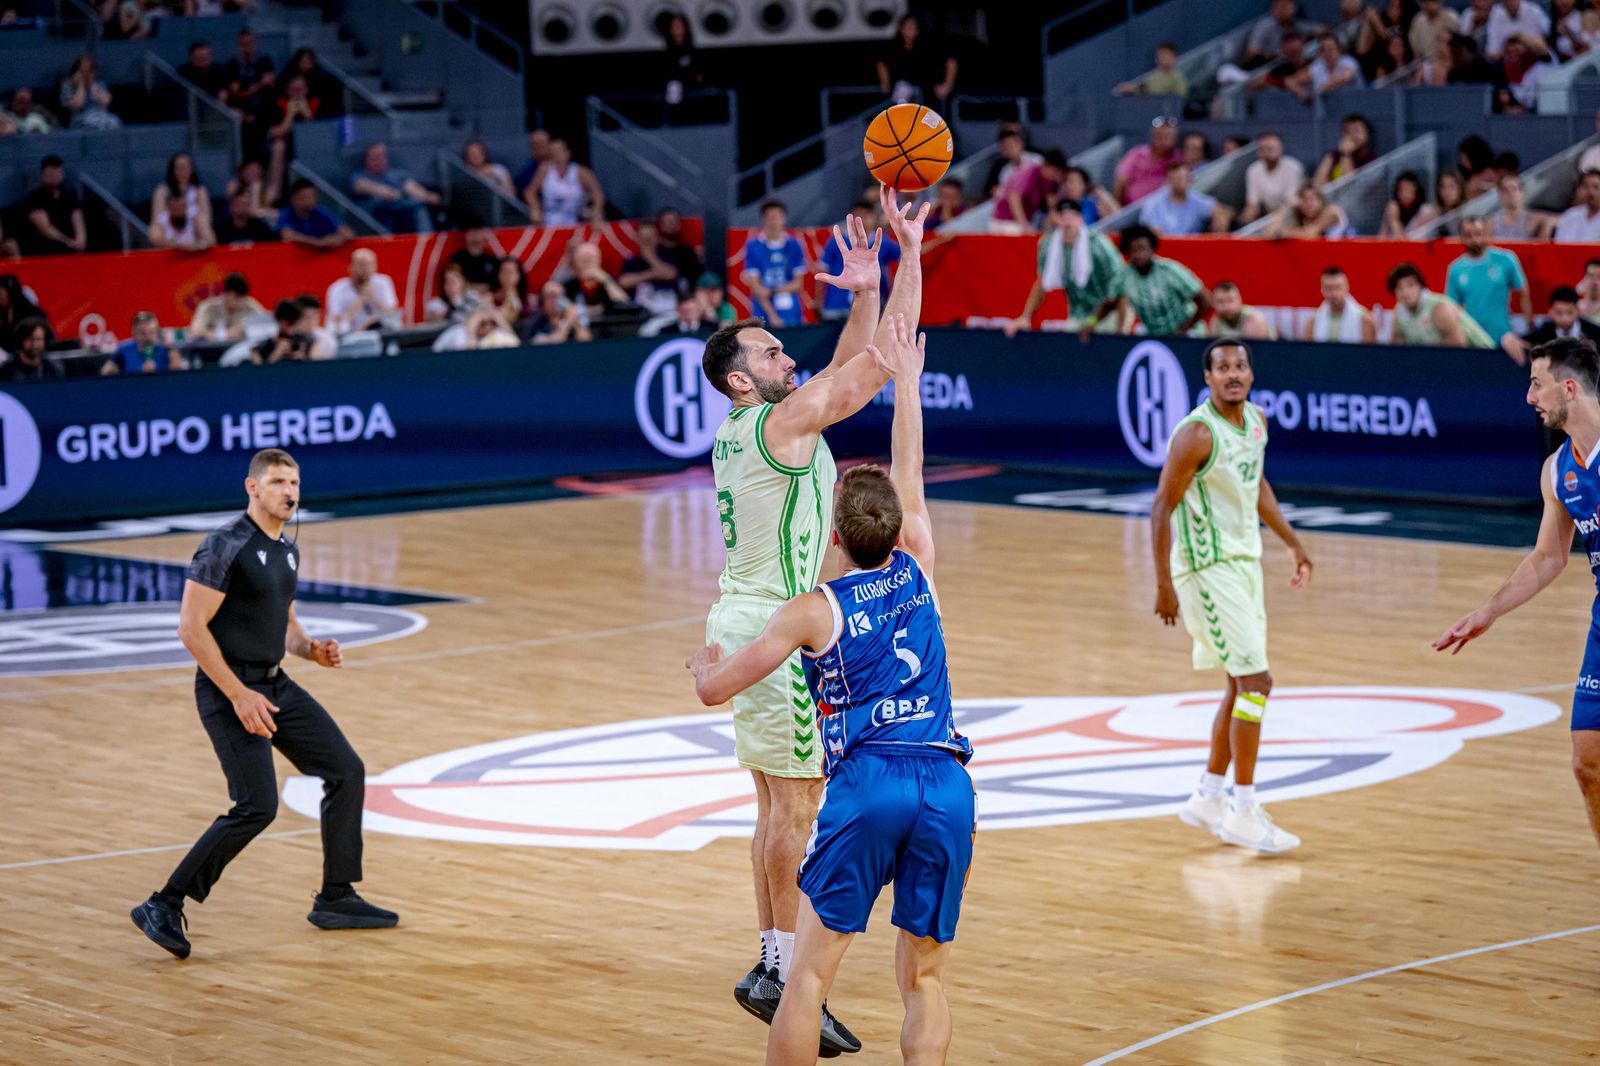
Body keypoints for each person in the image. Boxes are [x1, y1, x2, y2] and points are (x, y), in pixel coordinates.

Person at [688, 313, 970, 1066]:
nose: (788, 357)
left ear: (838, 537)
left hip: (853, 749)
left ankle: (782, 964)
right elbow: (870, 401)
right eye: (771, 351)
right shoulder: (915, 572)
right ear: (741, 379)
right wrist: (902, 269)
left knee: (780, 820)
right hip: (939, 775)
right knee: (920, 977)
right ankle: (779, 971)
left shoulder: (822, 604)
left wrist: (874, 286)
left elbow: (848, 373)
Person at [129, 449, 398, 961]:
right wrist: (237, 694)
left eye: (294, 482)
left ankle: (336, 896)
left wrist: (311, 650)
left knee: (346, 770)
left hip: (276, 686)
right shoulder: (224, 546)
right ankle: (162, 903)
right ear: (252, 488)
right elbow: (191, 628)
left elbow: (287, 625)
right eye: (277, 482)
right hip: (229, 689)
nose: (289, 492)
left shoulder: (288, 549)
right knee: (256, 806)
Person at [1433, 338, 1600, 875]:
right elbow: (1548, 557)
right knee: (1587, 761)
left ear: (1568, 388)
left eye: (1536, 383)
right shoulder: (1558, 470)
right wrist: (1488, 611)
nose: (1530, 396)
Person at [1152, 338, 1313, 854]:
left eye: (1240, 366)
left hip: (1244, 564)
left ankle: (1208, 795)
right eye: (1222, 368)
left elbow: (1255, 483)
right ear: (1208, 378)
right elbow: (1160, 508)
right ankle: (1243, 808)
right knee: (1257, 683)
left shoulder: (1257, 422)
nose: (1233, 374)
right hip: (1206, 569)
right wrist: (1164, 585)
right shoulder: (1197, 434)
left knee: (1238, 684)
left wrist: (1291, 542)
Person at [1004, 199, 1123, 335]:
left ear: (1080, 219)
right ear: (1056, 219)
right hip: (1078, 315)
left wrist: (1094, 322)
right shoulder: (1049, 244)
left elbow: (1119, 283)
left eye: (1072, 217)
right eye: (1063, 217)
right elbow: (1042, 283)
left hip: (1111, 312)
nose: (1068, 223)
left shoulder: (1097, 243)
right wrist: (1025, 317)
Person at [1105, 225, 1211, 337]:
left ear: (1152, 249)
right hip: (1153, 333)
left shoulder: (1170, 271)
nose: (1138, 255)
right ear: (1127, 252)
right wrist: (1092, 322)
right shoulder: (1124, 276)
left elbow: (1206, 301)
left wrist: (1184, 328)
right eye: (1133, 250)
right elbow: (1109, 303)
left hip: (1186, 332)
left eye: (1142, 248)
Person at [1446, 216, 1531, 342]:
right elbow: (1452, 307)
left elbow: (1523, 291)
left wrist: (1530, 325)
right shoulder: (1455, 268)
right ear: (1461, 238)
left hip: (1504, 336)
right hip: (1473, 337)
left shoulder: (1505, 259)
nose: (1474, 239)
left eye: (1478, 233)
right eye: (1468, 235)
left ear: (1486, 233)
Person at [816, 201, 898, 322]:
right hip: (837, 305)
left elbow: (907, 254)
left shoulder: (882, 242)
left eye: (866, 216)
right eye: (857, 216)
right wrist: (818, 301)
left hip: (869, 306)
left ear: (874, 217)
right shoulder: (837, 240)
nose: (861, 220)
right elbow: (822, 270)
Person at [1387, 261, 1494, 347]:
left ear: (1421, 287)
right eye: (1399, 288)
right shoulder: (1399, 314)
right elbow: (1399, 349)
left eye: (1410, 285)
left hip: (1483, 357)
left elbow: (1459, 348)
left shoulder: (1439, 309)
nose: (1405, 292)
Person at [741, 201, 808, 328]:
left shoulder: (794, 245)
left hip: (791, 310)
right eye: (770, 217)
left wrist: (772, 290)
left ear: (784, 219)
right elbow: (756, 287)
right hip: (763, 311)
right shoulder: (753, 246)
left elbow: (798, 283)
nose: (773, 222)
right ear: (763, 220)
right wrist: (773, 316)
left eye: (777, 217)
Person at [352, 143, 441, 234]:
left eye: (383, 156)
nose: (380, 160)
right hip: (376, 215)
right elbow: (363, 187)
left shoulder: (396, 174)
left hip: (402, 211)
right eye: (376, 157)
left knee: (417, 205)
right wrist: (391, 193)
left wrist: (426, 196)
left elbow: (411, 187)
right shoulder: (359, 176)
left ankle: (426, 238)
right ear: (367, 159)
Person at [1502, 286, 1600, 364]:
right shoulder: (1544, 332)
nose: (1564, 318)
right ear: (1550, 312)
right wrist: (1507, 338)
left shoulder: (1595, 333)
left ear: (1578, 311)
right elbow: (1522, 340)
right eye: (1559, 313)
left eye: (1569, 312)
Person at [875, 13, 956, 105]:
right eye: (907, 26)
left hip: (931, 94)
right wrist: (885, 83)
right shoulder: (895, 46)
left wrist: (947, 85)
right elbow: (881, 63)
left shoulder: (931, 44)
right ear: (901, 29)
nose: (910, 29)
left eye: (913, 26)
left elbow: (951, 62)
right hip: (903, 93)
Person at [621, 220, 698, 316]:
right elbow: (624, 281)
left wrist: (650, 256)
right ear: (637, 238)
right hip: (643, 311)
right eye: (644, 238)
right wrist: (652, 274)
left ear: (657, 237)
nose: (647, 242)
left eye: (650, 238)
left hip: (671, 308)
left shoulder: (667, 255)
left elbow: (671, 274)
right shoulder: (632, 260)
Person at [524, 139, 604, 227]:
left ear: (568, 153)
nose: (557, 155)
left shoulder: (581, 172)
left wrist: (597, 210)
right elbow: (529, 192)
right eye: (553, 152)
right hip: (548, 222)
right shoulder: (545, 170)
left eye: (559, 151)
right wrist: (535, 207)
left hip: (574, 221)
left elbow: (597, 192)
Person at [1138, 161, 1229, 236]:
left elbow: (1219, 210)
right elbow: (1149, 231)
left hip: (1192, 249)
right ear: (1168, 180)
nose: (1182, 182)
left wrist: (1220, 219)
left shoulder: (1195, 199)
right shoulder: (1153, 203)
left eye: (1185, 178)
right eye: (1177, 179)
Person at [990, 149, 1068, 234]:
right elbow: (1014, 197)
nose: (1056, 175)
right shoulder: (1029, 172)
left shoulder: (1050, 183)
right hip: (1004, 221)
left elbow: (1050, 208)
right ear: (1046, 165)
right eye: (1055, 170)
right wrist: (1023, 225)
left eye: (1059, 172)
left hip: (1023, 222)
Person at [325, 248, 399, 335]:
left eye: (370, 264)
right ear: (351, 267)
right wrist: (361, 298)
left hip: (379, 332)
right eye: (362, 265)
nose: (366, 269)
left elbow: (391, 313)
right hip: (350, 335)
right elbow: (337, 322)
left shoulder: (383, 282)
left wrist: (373, 298)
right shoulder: (337, 289)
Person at [24, 155, 86, 255]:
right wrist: (69, 243)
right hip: (51, 243)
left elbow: (77, 217)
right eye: (51, 172)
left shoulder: (70, 195)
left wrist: (81, 240)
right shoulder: (34, 198)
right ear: (44, 174)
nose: (55, 175)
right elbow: (45, 228)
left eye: (58, 172)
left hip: (73, 241)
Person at [1239, 132, 1306, 226]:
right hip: (1266, 213)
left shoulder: (1294, 167)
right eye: (1264, 149)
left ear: (1281, 148)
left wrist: (1277, 217)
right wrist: (1247, 217)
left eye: (1271, 148)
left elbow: (1291, 201)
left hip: (1293, 212)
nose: (1268, 152)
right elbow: (1253, 202)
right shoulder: (1253, 169)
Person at [1114, 117, 1180, 205]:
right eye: (1160, 136)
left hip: (1164, 209)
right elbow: (1120, 181)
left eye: (1168, 136)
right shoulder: (1137, 154)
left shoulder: (1179, 158)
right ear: (1153, 136)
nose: (1164, 140)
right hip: (1132, 210)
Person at [1306, 266, 1377, 342]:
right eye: (1328, 288)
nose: (1333, 293)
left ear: (1347, 287)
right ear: (1322, 290)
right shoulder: (1313, 322)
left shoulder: (1364, 320)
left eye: (1337, 287)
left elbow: (1368, 352)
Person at [563, 242, 629, 323]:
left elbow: (625, 303)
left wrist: (604, 279)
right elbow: (564, 310)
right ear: (576, 261)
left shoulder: (607, 280)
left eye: (591, 258)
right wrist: (595, 310)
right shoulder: (568, 285)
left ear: (599, 259)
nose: (587, 262)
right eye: (583, 259)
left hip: (610, 327)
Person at [103, 312, 187, 374]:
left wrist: (171, 349)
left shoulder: (165, 349)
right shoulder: (124, 349)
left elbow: (178, 371)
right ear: (134, 333)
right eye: (142, 333)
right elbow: (106, 372)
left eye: (151, 332)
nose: (147, 337)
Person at [190, 272, 266, 342]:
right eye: (236, 297)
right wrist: (223, 335)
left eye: (243, 297)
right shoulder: (209, 307)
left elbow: (269, 324)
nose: (240, 302)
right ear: (225, 294)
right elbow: (195, 331)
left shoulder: (250, 305)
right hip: (211, 349)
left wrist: (244, 329)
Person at [278, 179, 352, 249]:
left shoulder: (322, 212)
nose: (309, 201)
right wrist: (317, 242)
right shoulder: (287, 214)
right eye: (304, 198)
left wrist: (336, 238)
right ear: (294, 199)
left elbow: (347, 233)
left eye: (312, 197)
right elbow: (287, 235)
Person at [1263, 183, 1350, 238]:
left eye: (1312, 199)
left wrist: (1282, 233)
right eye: (1304, 200)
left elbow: (1310, 233)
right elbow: (1270, 232)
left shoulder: (1332, 211)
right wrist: (1286, 207)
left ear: (1321, 201)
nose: (1308, 204)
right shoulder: (1302, 218)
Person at [1312, 114, 1375, 187]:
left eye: (1356, 131)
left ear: (1366, 134)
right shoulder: (1333, 156)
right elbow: (1317, 186)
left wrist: (1346, 154)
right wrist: (1345, 153)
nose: (1352, 136)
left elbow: (1348, 185)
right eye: (1347, 132)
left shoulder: (1372, 160)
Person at [61, 53, 120, 130]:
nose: (87, 74)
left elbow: (106, 101)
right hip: (80, 119)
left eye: (90, 71)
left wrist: (92, 85)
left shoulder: (98, 84)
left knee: (115, 121)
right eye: (83, 71)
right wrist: (81, 84)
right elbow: (77, 105)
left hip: (100, 117)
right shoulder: (68, 86)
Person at [518, 280, 589, 344]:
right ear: (543, 301)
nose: (554, 301)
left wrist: (574, 322)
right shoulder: (534, 323)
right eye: (550, 297)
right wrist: (567, 322)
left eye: (558, 296)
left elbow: (585, 340)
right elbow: (552, 341)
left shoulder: (574, 318)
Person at [980, 127, 1041, 200]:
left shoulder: (1037, 160)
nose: (1010, 150)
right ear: (1002, 151)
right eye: (1006, 147)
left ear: (1021, 144)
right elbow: (1003, 194)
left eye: (1012, 145)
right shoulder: (1005, 171)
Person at [148, 188, 216, 251]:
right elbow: (154, 239)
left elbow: (210, 240)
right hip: (168, 259)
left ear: (186, 206)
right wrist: (179, 245)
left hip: (192, 257)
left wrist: (198, 246)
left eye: (181, 206)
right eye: (175, 206)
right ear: (168, 206)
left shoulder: (195, 218)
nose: (178, 209)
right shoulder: (160, 220)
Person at [1491, 172, 1554, 240]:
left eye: (1514, 189)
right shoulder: (1491, 223)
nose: (1510, 193)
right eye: (1506, 190)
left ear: (1522, 193)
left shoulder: (1533, 218)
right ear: (1500, 195)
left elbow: (1563, 219)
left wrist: (1548, 224)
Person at [253, 298, 316, 364]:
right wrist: (276, 354)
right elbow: (259, 371)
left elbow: (316, 367)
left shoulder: (307, 342)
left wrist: (303, 359)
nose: (296, 329)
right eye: (292, 324)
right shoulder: (262, 348)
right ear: (282, 323)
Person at [1116, 41, 1188, 97]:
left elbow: (1180, 98)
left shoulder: (1177, 78)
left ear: (1174, 58)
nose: (1163, 59)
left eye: (1166, 56)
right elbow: (1147, 89)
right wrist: (1132, 88)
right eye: (1160, 56)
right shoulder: (1152, 77)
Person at [1208, 281, 1277, 340]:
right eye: (1220, 302)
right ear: (1213, 303)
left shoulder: (1253, 319)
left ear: (1239, 300)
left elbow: (1256, 351)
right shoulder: (1215, 322)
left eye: (1230, 300)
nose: (1226, 307)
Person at [0, 317, 60, 382]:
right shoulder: (6, 370)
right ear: (20, 340)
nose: (35, 344)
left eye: (39, 339)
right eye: (30, 339)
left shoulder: (53, 368)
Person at [214, 191, 279, 244]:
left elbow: (272, 242)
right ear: (232, 207)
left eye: (246, 205)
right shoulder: (223, 229)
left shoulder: (258, 227)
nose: (243, 208)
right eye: (240, 204)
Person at [1379, 171, 1428, 237]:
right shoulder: (1394, 209)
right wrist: (1390, 217)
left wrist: (1394, 221)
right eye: (1401, 190)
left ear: (1417, 191)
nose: (1404, 194)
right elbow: (1380, 239)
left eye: (1408, 190)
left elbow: (1407, 244)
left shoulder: (1425, 211)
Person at [1556, 171, 1600, 243]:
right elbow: (1559, 245)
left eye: (1596, 187)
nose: (1590, 192)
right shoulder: (1570, 215)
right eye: (1586, 187)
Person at [512, 128, 553, 199]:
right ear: (531, 148)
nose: (541, 147)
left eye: (543, 143)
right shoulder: (526, 172)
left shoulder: (561, 166)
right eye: (537, 144)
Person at [489, 256, 529, 321]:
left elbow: (518, 312)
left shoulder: (525, 299)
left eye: (511, 272)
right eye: (505, 272)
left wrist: (511, 295)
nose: (508, 276)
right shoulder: (490, 297)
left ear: (519, 275)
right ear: (498, 275)